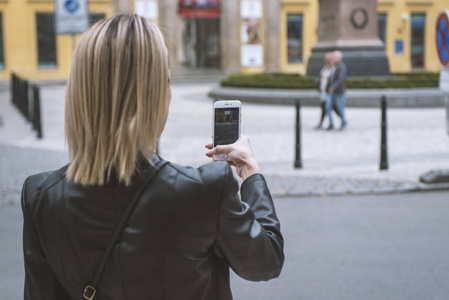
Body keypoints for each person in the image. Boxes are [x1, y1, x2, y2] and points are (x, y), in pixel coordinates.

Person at [21, 14, 284, 300]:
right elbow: (266, 262)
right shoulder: (205, 190)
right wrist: (250, 172)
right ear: (154, 95)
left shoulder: (40, 196)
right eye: (167, 81)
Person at [315, 52, 340, 129]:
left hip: (329, 91)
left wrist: (332, 88)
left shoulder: (333, 69)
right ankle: (341, 119)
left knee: (327, 106)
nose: (325, 61)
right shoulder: (325, 68)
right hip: (323, 90)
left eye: (327, 59)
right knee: (328, 106)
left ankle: (338, 120)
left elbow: (334, 80)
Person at [326, 50, 347, 131]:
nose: (335, 59)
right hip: (331, 91)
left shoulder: (342, 67)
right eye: (334, 57)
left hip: (339, 91)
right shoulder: (332, 66)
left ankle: (343, 123)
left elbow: (340, 79)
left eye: (337, 57)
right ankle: (331, 123)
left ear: (340, 58)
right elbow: (330, 78)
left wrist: (333, 87)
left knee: (340, 108)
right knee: (328, 107)